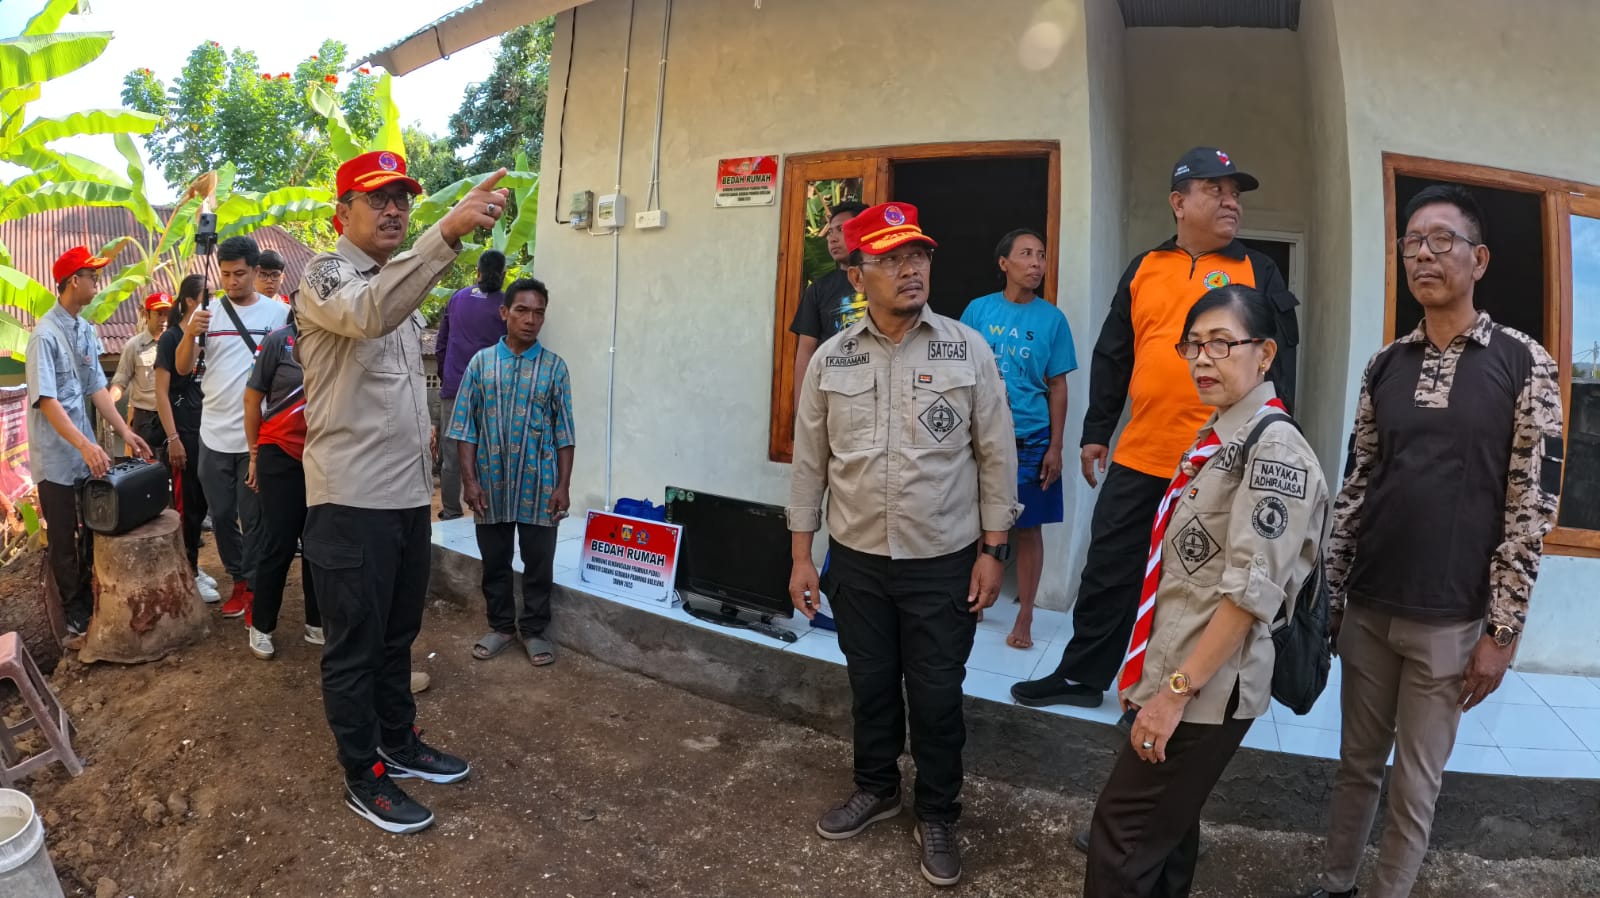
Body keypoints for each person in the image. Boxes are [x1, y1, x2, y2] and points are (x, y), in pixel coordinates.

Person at [1294, 185, 1563, 898]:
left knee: (1416, 781)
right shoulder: (1385, 364)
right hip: (1372, 608)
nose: (1423, 253)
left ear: (1479, 259)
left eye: (1441, 240)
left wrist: (1501, 631)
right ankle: (1333, 881)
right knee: (1356, 763)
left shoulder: (1522, 362)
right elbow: (1358, 485)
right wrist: (1334, 594)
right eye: (1412, 240)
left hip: (1450, 620)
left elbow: (1531, 505)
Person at [1012, 146, 1300, 711]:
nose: (1230, 202)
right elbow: (1114, 353)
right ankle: (1082, 675)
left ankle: (1166, 697)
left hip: (1217, 465)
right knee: (1109, 569)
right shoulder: (1145, 267)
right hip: (1141, 452)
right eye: (1215, 190)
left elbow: (1278, 368)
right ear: (1178, 202)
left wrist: (1267, 451)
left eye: (1235, 193)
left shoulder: (1257, 271)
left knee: (1194, 583)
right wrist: (1097, 430)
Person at [788, 202, 1020, 888]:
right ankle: (877, 786)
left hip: (943, 558)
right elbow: (809, 462)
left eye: (917, 255)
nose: (909, 269)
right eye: (890, 258)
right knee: (870, 685)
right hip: (857, 558)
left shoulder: (965, 346)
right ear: (859, 273)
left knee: (939, 693)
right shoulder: (833, 357)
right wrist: (803, 554)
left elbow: (996, 451)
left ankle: (939, 810)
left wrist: (993, 550)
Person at [1082, 284, 1327, 898]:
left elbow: (1250, 595)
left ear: (1265, 354)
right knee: (1168, 832)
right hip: (1176, 668)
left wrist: (1170, 695)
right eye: (1193, 345)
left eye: (1222, 343)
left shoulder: (1274, 451)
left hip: (1205, 689)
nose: (1201, 359)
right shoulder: (1218, 435)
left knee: (1122, 837)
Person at [295, 149, 507, 834]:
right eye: (377, 198)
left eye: (403, 199)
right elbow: (368, 316)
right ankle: (364, 775)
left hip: (404, 499)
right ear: (343, 212)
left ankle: (398, 742)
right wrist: (443, 235)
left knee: (397, 637)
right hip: (349, 500)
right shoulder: (328, 276)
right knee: (355, 649)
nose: (394, 209)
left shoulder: (395, 283)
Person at [26, 247, 155, 635]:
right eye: (91, 276)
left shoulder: (85, 329)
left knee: (93, 528)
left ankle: (92, 592)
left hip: (85, 456)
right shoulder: (43, 337)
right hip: (56, 459)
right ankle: (73, 609)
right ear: (71, 282)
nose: (97, 283)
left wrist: (126, 432)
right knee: (64, 536)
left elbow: (98, 388)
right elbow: (47, 401)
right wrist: (85, 445)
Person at [960, 228, 1078, 649]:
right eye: (1026, 254)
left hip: (1031, 437)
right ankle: (976, 600)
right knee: (976, 522)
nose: (1036, 263)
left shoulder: (1053, 319)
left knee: (1027, 529)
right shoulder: (977, 310)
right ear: (1003, 263)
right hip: (981, 436)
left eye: (1041, 256)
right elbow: (961, 371)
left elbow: (1059, 386)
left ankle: (1025, 615)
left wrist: (1056, 446)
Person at [448, 278, 575, 667]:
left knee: (539, 562)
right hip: (491, 485)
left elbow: (564, 431)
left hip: (539, 486)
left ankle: (534, 630)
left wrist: (563, 486)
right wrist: (470, 482)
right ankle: (501, 626)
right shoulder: (481, 364)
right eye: (522, 310)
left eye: (538, 312)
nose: (530, 319)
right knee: (496, 560)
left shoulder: (554, 368)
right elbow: (464, 428)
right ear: (504, 313)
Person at [175, 236, 289, 620]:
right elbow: (181, 368)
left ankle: (255, 588)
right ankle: (238, 579)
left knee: (253, 515)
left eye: (239, 274)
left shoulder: (277, 315)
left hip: (257, 435)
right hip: (213, 431)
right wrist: (191, 334)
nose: (231, 281)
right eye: (225, 274)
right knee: (222, 515)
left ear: (256, 272)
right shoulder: (206, 313)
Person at [242, 311, 322, 660]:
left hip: (323, 455)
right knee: (280, 542)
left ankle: (316, 622)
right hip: (280, 452)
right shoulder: (278, 341)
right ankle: (262, 626)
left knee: (319, 541)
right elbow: (251, 398)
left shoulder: (335, 338)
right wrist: (254, 454)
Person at [155, 275, 221, 604]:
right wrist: (173, 438)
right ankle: (187, 572)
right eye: (207, 296)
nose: (213, 301)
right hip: (183, 430)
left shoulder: (209, 335)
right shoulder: (172, 339)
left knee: (204, 503)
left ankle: (192, 565)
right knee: (187, 506)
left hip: (207, 427)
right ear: (191, 301)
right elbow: (161, 394)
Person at [434, 250, 508, 521]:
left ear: (477, 272)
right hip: (492, 392)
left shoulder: (457, 298)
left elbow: (442, 342)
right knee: (489, 453)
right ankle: (484, 511)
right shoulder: (507, 306)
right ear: (502, 275)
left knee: (451, 454)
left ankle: (451, 512)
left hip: (455, 389)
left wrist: (446, 376)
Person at [791, 200, 870, 402]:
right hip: (834, 394)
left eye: (840, 230)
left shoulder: (883, 281)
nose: (832, 238)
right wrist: (802, 409)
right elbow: (805, 353)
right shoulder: (818, 290)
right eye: (830, 232)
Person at [109, 293, 169, 457]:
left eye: (167, 313)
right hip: (146, 420)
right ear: (146, 315)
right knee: (146, 474)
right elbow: (121, 381)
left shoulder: (177, 344)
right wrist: (108, 403)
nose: (163, 319)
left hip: (173, 419)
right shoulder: (133, 346)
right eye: (159, 313)